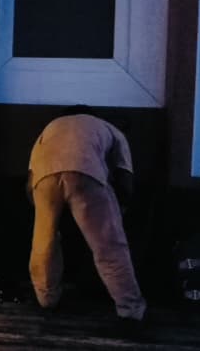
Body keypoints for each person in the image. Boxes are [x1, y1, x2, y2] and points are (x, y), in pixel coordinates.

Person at [28, 105, 145, 326]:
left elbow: (29, 180)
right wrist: (119, 210)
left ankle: (47, 298)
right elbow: (125, 179)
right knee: (109, 246)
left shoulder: (50, 128)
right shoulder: (112, 131)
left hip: (43, 176)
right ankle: (130, 309)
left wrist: (45, 210)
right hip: (86, 170)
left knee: (44, 243)